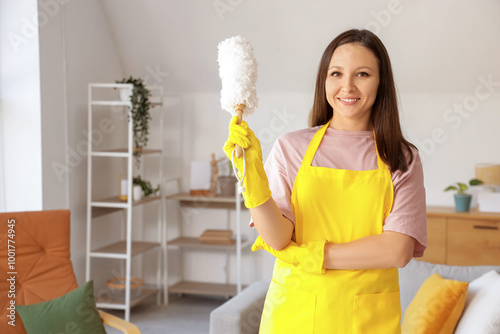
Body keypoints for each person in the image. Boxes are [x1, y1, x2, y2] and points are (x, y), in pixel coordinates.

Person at [223, 28, 426, 334]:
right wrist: (252, 182)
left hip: (368, 322)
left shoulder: (401, 158)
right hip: (294, 316)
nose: (347, 86)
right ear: (324, 80)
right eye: (336, 73)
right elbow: (278, 238)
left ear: (381, 82)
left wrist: (312, 255)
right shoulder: (292, 147)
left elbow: (396, 251)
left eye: (362, 74)